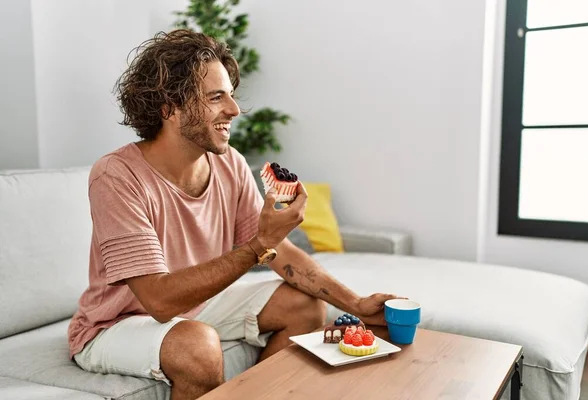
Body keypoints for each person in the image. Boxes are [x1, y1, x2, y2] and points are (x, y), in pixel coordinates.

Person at [68, 29, 401, 400]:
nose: (234, 109)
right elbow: (159, 302)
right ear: (169, 109)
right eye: (216, 97)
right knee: (197, 345)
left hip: (196, 308)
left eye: (230, 94)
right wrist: (261, 242)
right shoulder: (117, 175)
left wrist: (355, 304)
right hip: (116, 324)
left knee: (304, 305)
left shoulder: (230, 164)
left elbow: (280, 254)